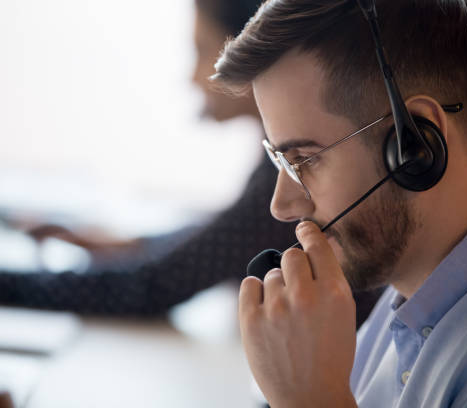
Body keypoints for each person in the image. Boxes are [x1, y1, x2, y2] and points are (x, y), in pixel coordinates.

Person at [212, 0, 467, 406]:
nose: (282, 205)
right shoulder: (414, 297)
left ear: (414, 147)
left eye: (304, 159)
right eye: (281, 160)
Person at [0, 0, 384, 329]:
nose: (192, 76)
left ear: (252, 56)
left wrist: (8, 285)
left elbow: (149, 287)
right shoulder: (278, 164)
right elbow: (224, 234)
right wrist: (134, 243)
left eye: (203, 50)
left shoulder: (289, 177)